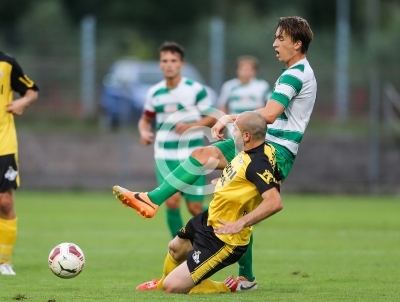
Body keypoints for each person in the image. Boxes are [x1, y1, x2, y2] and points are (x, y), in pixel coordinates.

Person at [113, 16, 316, 289]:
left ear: (298, 43)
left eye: (281, 38)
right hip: (256, 142)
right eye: (276, 37)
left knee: (232, 209)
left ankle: (244, 277)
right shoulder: (293, 71)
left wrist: (229, 117)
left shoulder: (295, 74)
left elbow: (268, 114)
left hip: (273, 152)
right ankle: (152, 199)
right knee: (201, 155)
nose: (274, 43)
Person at [114, 111, 283, 294]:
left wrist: (240, 223)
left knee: (174, 287)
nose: (231, 133)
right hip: (209, 218)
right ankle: (162, 281)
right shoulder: (261, 150)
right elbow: (275, 179)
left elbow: (274, 201)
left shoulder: (257, 163)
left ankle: (226, 287)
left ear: (247, 136)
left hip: (224, 238)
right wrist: (228, 183)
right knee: (175, 249)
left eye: (235, 129)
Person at [135, 42, 215, 238]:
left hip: (192, 156)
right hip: (165, 157)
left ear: (181, 64)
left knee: (195, 206)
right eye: (164, 61)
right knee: (171, 201)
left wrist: (191, 126)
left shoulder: (195, 89)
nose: (169, 64)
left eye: (173, 60)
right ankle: (179, 247)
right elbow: (145, 120)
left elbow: (212, 116)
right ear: (160, 64)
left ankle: (215, 231)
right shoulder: (154, 92)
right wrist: (144, 133)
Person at [0, 51, 39, 275]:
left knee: (5, 202)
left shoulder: (7, 62)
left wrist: (23, 101)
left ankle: (3, 261)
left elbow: (31, 91)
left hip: (3, 143)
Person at [218, 55, 270, 135]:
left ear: (254, 71)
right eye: (243, 69)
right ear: (237, 70)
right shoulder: (229, 86)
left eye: (249, 69)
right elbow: (222, 106)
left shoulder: (262, 86)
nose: (246, 72)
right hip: (234, 127)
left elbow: (270, 105)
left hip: (256, 127)